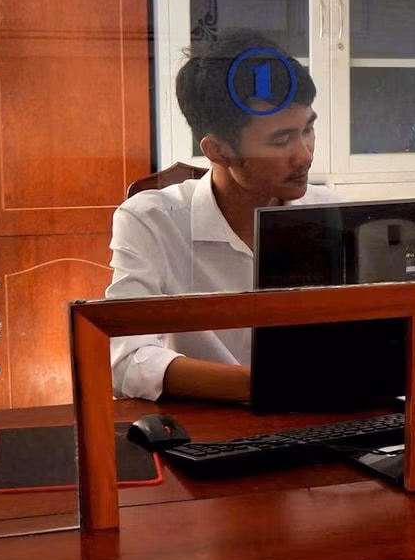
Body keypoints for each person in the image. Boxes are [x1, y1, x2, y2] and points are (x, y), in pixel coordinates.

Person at [106, 31, 343, 402]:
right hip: (207, 420)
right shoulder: (152, 221)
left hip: (321, 414)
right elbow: (127, 359)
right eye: (281, 140)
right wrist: (270, 387)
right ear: (218, 150)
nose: (305, 155)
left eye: (308, 129)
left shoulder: (329, 213)